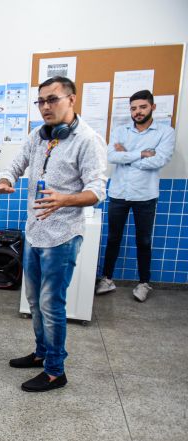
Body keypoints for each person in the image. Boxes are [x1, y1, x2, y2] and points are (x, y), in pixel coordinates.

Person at [0, 76, 107, 393]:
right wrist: (4, 180)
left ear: (71, 99)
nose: (45, 107)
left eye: (52, 99)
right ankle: (41, 353)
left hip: (63, 237)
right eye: (41, 101)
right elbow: (17, 164)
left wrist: (65, 199)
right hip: (35, 233)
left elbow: (97, 191)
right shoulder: (39, 136)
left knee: (52, 306)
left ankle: (55, 370)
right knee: (35, 303)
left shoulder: (88, 140)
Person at [97, 89, 176, 302]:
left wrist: (127, 155)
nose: (138, 112)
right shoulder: (120, 130)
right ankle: (107, 279)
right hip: (119, 193)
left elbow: (159, 160)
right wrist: (141, 153)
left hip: (146, 195)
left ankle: (143, 283)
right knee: (113, 238)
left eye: (142, 107)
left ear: (152, 107)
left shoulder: (165, 132)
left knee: (143, 240)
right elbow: (111, 155)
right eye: (133, 108)